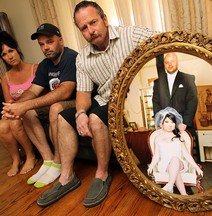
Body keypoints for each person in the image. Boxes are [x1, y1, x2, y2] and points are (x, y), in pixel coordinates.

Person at [36, 0, 159, 208]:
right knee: (64, 118)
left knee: (95, 118)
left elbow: (167, 43)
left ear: (104, 19)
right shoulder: (83, 58)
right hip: (104, 99)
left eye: (93, 23)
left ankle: (101, 174)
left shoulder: (132, 35)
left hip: (129, 100)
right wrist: (80, 112)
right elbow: (83, 93)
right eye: (84, 28)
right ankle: (66, 177)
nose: (90, 31)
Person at [2, 23, 77, 188]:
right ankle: (48, 160)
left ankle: (58, 163)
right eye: (42, 44)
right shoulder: (45, 65)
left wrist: (25, 104)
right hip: (59, 102)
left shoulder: (70, 57)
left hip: (76, 102)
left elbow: (65, 91)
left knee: (55, 107)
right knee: (27, 111)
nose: (46, 47)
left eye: (49, 42)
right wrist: (16, 106)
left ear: (60, 40)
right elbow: (33, 91)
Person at [0, 31, 38, 176]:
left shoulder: (35, 68)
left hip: (30, 109)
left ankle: (31, 156)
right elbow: (8, 100)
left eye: (11, 50)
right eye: (4, 54)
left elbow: (40, 95)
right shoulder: (5, 77)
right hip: (15, 110)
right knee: (2, 126)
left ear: (17, 49)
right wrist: (9, 110)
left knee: (15, 123)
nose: (9, 56)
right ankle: (16, 159)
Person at [147, 107, 203, 195]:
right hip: (165, 165)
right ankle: (184, 195)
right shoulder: (158, 138)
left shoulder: (179, 138)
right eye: (167, 122)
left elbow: (187, 155)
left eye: (172, 122)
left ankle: (169, 185)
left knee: (174, 159)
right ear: (161, 124)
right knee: (174, 171)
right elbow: (156, 155)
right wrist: (151, 166)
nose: (170, 124)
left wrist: (196, 167)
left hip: (180, 163)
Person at [152, 53, 198, 137]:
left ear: (177, 62)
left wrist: (185, 122)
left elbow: (192, 101)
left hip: (184, 127)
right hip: (164, 129)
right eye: (166, 62)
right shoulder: (158, 82)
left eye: (172, 61)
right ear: (164, 64)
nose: (170, 64)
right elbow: (156, 103)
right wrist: (160, 122)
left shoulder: (188, 79)